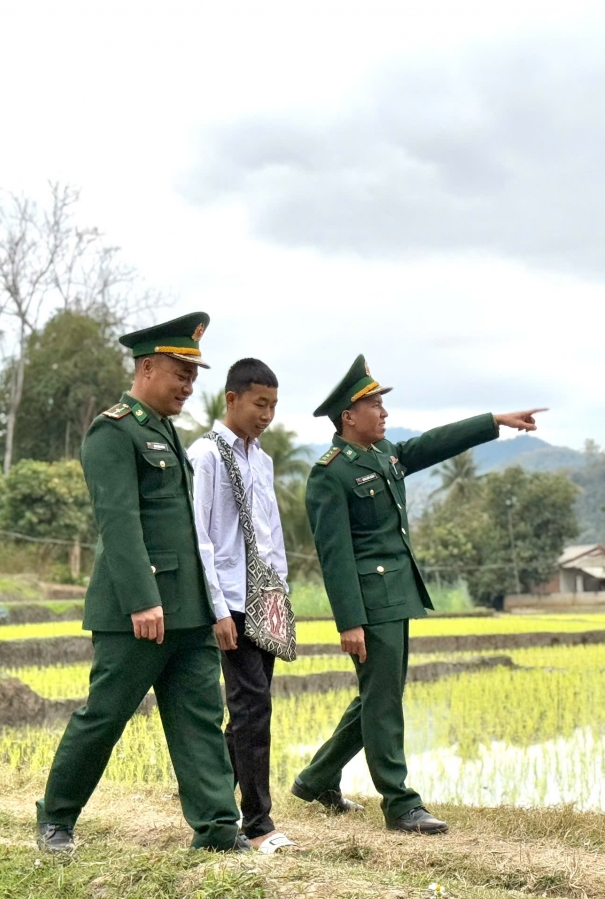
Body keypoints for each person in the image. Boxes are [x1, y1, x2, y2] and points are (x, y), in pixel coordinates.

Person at [291, 354, 543, 834]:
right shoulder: (331, 474)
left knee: (377, 695)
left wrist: (493, 421)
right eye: (374, 405)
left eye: (384, 406)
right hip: (370, 602)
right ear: (348, 415)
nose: (384, 413)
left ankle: (316, 779)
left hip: (398, 594)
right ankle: (401, 803)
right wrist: (349, 621)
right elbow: (335, 555)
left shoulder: (386, 456)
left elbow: (433, 444)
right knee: (383, 700)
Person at [36, 312, 246, 853]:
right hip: (140, 612)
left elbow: (190, 530)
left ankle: (219, 829)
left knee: (200, 720)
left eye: (193, 376)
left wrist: (214, 606)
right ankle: (56, 819)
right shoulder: (114, 430)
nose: (188, 386)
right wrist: (142, 600)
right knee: (105, 716)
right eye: (180, 373)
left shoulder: (166, 433)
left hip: (190, 610)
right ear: (147, 367)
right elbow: (119, 522)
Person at [187, 358, 299, 855]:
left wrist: (281, 595)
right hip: (228, 599)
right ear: (231, 399)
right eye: (260, 404)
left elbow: (271, 536)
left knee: (250, 709)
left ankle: (219, 802)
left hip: (264, 599)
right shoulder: (206, 455)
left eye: (273, 405)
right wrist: (217, 610)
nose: (267, 415)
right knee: (252, 706)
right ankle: (258, 824)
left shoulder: (263, 459)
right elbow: (201, 536)